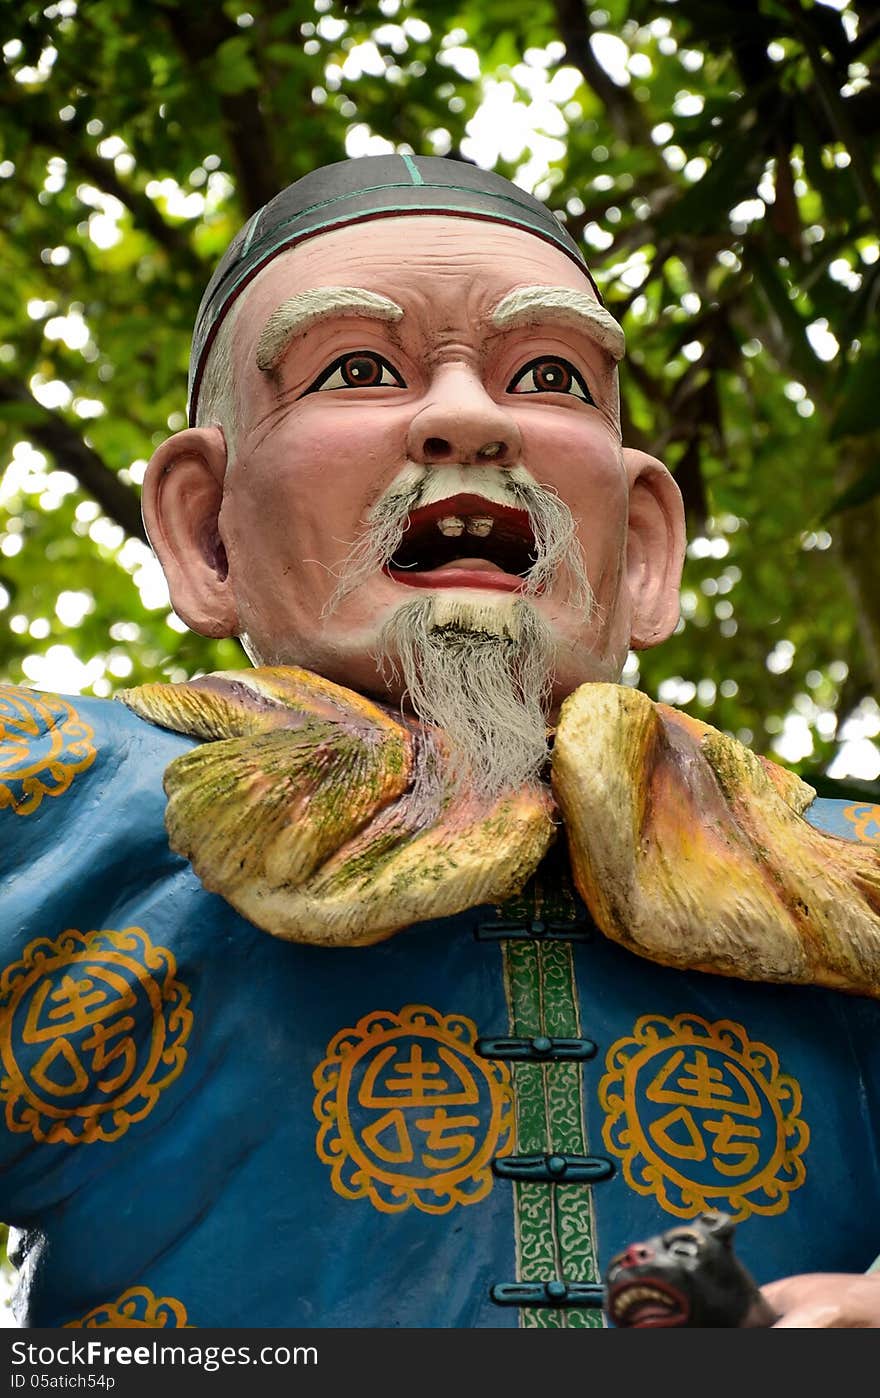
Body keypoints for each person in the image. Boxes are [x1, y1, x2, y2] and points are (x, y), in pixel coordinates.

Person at [1, 155, 879, 1330]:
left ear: (642, 548)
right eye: (357, 368)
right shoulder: (47, 796)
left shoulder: (845, 870)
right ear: (205, 533)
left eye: (550, 375)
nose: (468, 417)